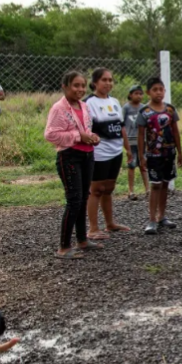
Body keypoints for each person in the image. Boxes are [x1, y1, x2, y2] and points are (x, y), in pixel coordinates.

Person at [43, 70, 104, 259]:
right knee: (74, 200)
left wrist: (92, 137)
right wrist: (79, 136)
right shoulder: (59, 109)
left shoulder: (84, 106)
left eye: (83, 85)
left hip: (87, 155)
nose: (80, 89)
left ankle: (82, 240)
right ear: (65, 86)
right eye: (76, 85)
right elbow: (51, 135)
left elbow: (85, 129)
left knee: (83, 197)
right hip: (69, 157)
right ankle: (64, 247)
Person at [85, 68, 130, 237]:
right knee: (96, 189)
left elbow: (121, 127)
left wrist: (128, 148)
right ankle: (93, 228)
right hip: (99, 153)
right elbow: (86, 128)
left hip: (116, 151)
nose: (108, 83)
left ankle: (110, 224)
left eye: (111, 80)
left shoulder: (115, 102)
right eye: (104, 80)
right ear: (95, 82)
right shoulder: (89, 103)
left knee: (109, 188)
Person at [137, 78, 182, 235]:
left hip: (169, 153)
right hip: (153, 155)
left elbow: (176, 131)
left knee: (165, 184)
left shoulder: (170, 110)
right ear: (148, 92)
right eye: (155, 89)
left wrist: (180, 152)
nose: (158, 92)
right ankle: (152, 219)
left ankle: (162, 215)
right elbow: (141, 135)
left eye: (161, 89)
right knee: (155, 184)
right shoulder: (145, 112)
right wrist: (141, 156)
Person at [123, 84, 148, 201]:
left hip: (142, 140)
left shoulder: (144, 108)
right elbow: (121, 124)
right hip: (131, 140)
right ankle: (131, 191)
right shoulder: (126, 108)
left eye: (140, 93)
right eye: (136, 93)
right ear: (130, 95)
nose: (138, 96)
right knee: (132, 165)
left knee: (144, 165)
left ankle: (147, 189)